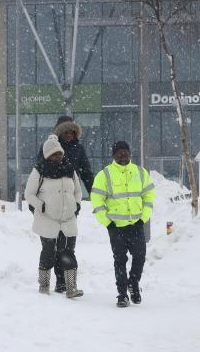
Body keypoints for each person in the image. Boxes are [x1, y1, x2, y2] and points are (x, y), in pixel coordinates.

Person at [91, 140, 155, 308]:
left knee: (140, 257)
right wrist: (107, 222)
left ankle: (133, 284)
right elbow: (97, 200)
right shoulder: (104, 175)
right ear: (113, 155)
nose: (122, 155)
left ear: (130, 153)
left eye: (125, 152)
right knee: (119, 260)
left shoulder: (140, 173)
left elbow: (149, 196)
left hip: (136, 224)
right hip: (116, 227)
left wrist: (144, 218)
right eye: (119, 153)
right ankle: (122, 294)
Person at [35, 115, 95, 292]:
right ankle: (45, 283)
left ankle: (63, 281)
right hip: (49, 206)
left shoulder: (79, 149)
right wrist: (37, 205)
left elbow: (86, 173)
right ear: (59, 133)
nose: (69, 134)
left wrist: (94, 194)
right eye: (66, 131)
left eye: (72, 131)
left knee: (67, 246)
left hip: (68, 205)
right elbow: (37, 173)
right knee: (50, 246)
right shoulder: (48, 148)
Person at [25, 134, 84, 298]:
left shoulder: (70, 169)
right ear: (47, 155)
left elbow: (78, 191)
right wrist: (41, 206)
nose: (58, 156)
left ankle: (70, 287)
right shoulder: (39, 171)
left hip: (68, 219)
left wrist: (77, 204)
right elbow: (29, 194)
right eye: (54, 154)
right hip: (47, 220)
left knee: (68, 252)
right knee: (48, 252)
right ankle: (44, 285)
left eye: (59, 153)